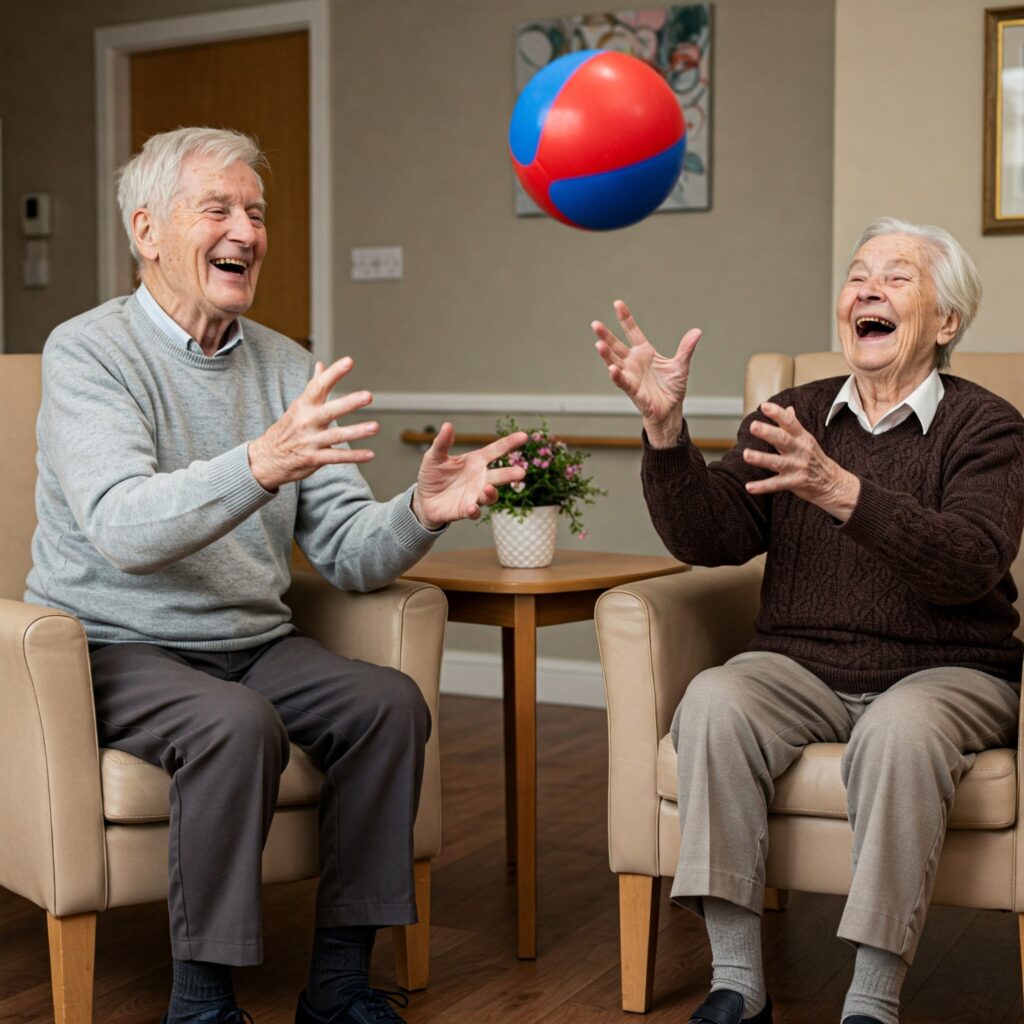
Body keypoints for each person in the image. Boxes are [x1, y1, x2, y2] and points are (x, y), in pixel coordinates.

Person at [25, 126, 526, 1024]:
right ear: (147, 231)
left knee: (387, 704)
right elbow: (122, 527)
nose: (246, 231)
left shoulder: (288, 366)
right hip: (115, 643)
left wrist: (420, 510)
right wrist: (259, 462)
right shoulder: (88, 353)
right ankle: (202, 999)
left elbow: (344, 549)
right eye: (217, 208)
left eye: (255, 212)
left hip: (250, 640)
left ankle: (337, 987)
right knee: (234, 725)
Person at [591, 217, 1024, 1024]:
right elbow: (709, 535)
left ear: (947, 321)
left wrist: (842, 492)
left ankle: (871, 998)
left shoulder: (987, 425)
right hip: (801, 667)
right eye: (859, 275)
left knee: (899, 730)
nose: (868, 288)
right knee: (715, 700)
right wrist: (664, 431)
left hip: (951, 669)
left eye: (898, 278)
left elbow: (973, 561)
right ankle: (736, 984)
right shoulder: (794, 412)